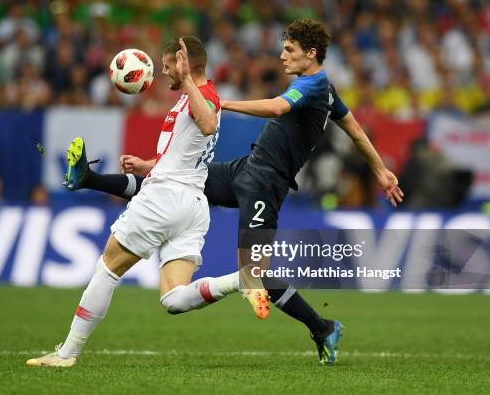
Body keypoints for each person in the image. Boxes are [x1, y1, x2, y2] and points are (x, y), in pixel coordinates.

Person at [68, 19, 404, 365]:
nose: (282, 55)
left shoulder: (315, 86)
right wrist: (380, 170)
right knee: (174, 176)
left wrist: (221, 103)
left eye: (290, 49)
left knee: (253, 271)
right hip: (246, 169)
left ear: (311, 54)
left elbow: (277, 107)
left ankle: (322, 327)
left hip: (267, 183)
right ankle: (87, 178)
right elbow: (354, 128)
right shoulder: (325, 90)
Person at [26, 37, 267, 368]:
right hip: (193, 204)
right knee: (174, 299)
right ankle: (241, 279)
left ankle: (67, 353)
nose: (164, 72)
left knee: (107, 268)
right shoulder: (190, 100)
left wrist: (185, 82)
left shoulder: (203, 96)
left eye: (168, 65)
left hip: (164, 199)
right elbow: (187, 152)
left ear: (186, 64)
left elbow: (209, 123)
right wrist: (146, 164)